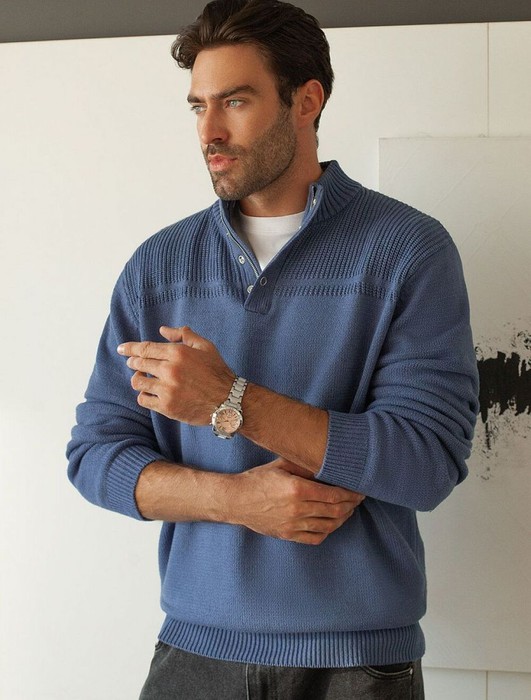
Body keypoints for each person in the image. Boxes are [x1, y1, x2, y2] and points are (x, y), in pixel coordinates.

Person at [67, 1, 479, 698]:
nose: (210, 131)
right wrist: (234, 500)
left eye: (235, 101)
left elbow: (426, 462)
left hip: (357, 667)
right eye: (198, 106)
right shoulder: (159, 267)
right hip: (192, 657)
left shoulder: (408, 251)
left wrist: (230, 401)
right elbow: (95, 457)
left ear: (305, 102)